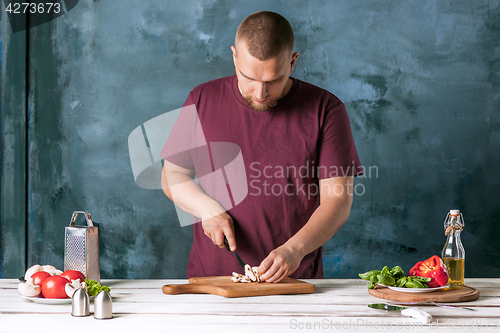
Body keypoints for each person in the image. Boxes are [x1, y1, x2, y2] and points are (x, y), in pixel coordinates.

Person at [160, 11, 362, 282]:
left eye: (272, 81)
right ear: (234, 57)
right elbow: (172, 176)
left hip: (296, 280)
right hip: (212, 280)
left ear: (292, 62)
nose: (260, 93)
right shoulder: (201, 99)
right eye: (249, 78)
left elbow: (338, 199)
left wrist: (294, 249)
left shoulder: (326, 109)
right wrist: (207, 209)